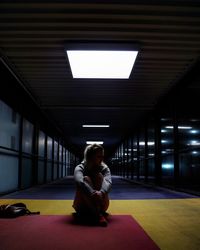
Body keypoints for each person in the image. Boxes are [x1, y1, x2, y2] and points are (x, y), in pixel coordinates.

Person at [73, 143, 112, 226]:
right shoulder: (80, 167)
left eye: (102, 156)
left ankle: (96, 213)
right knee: (85, 179)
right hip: (81, 206)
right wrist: (92, 192)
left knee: (99, 176)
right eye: (99, 156)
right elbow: (79, 181)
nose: (102, 159)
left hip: (102, 204)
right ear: (90, 156)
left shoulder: (104, 168)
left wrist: (101, 192)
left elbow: (108, 181)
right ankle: (98, 215)